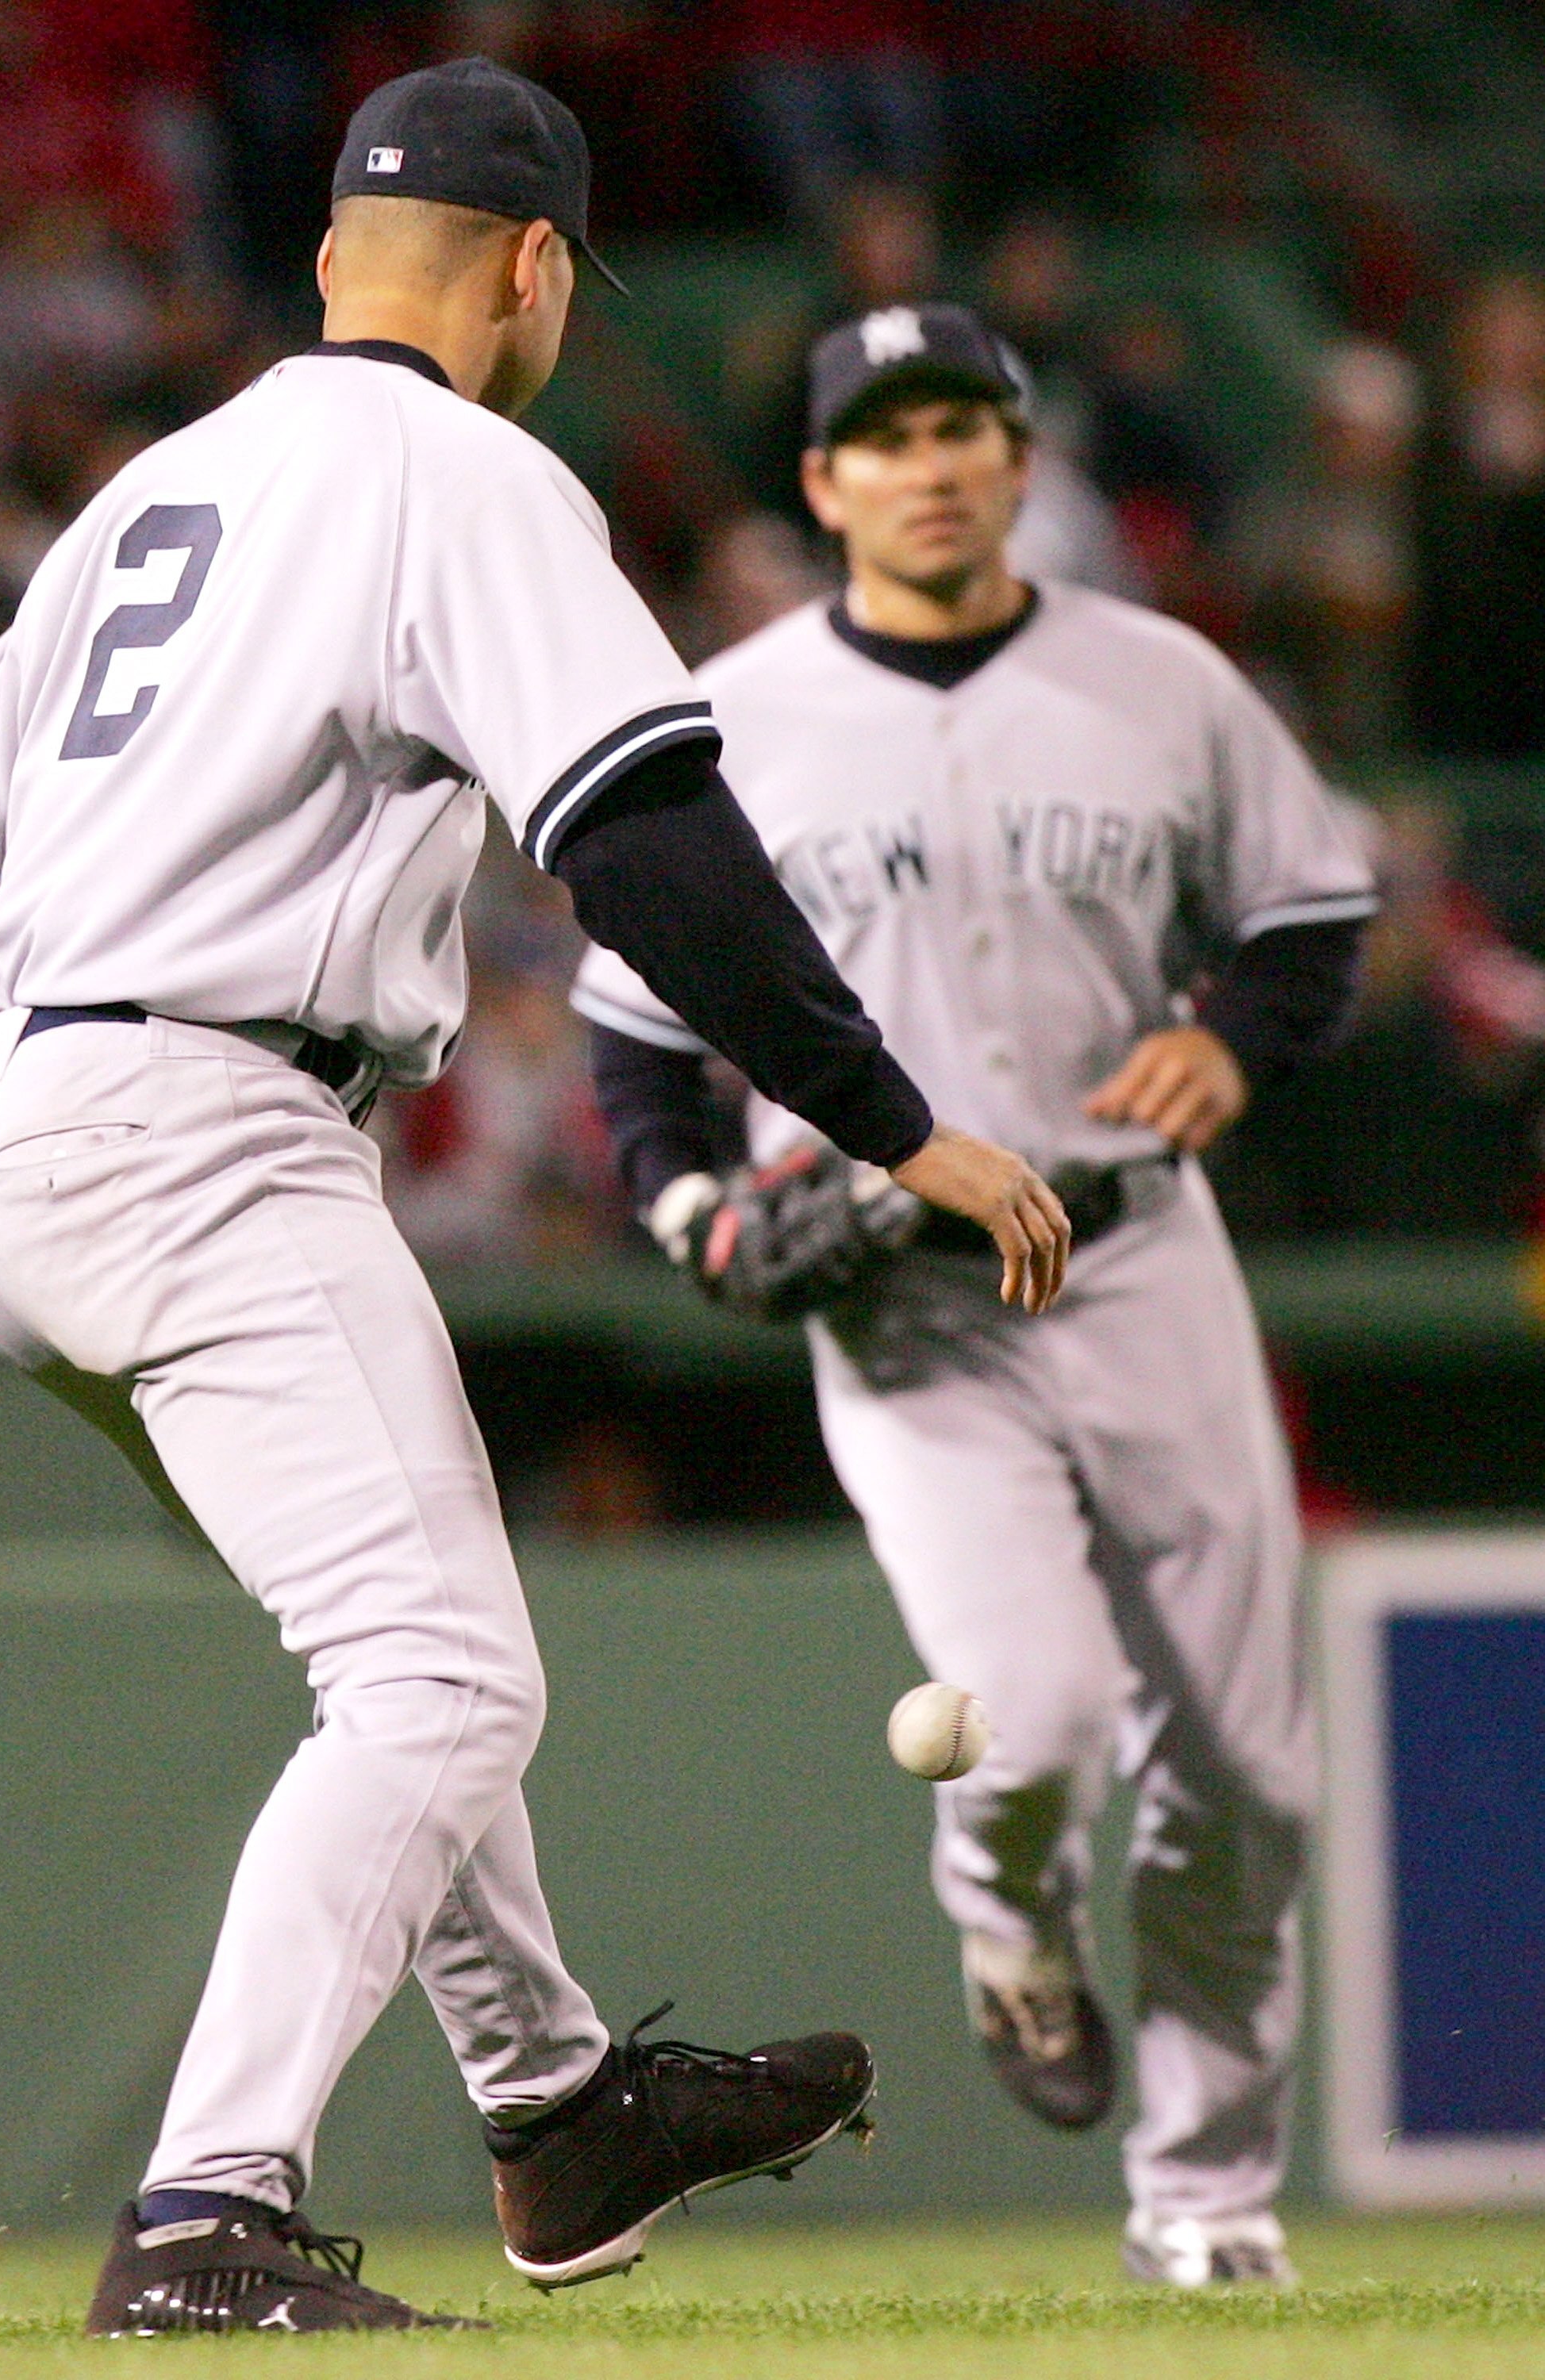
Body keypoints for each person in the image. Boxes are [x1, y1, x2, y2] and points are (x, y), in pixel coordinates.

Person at [0, 74, 1072, 2336]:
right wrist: (888, 1123)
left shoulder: (155, 488)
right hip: (203, 1125)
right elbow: (650, 837)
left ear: (326, 265)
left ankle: (556, 2105)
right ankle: (205, 2210)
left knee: (404, 1641)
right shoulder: (466, 474)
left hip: (24, 1134)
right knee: (439, 1675)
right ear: (536, 269)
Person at [574, 301, 1377, 2289]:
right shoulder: (732, 713)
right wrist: (693, 1225)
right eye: (889, 434)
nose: (934, 461)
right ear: (826, 482)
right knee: (1031, 1726)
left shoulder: (1162, 681)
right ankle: (1007, 1917)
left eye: (969, 426)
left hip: (1135, 1253)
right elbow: (636, 1049)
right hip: (905, 1299)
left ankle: (1206, 2205)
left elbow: (1313, 908)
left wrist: (1243, 1040)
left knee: (1249, 1769)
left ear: (1022, 462)